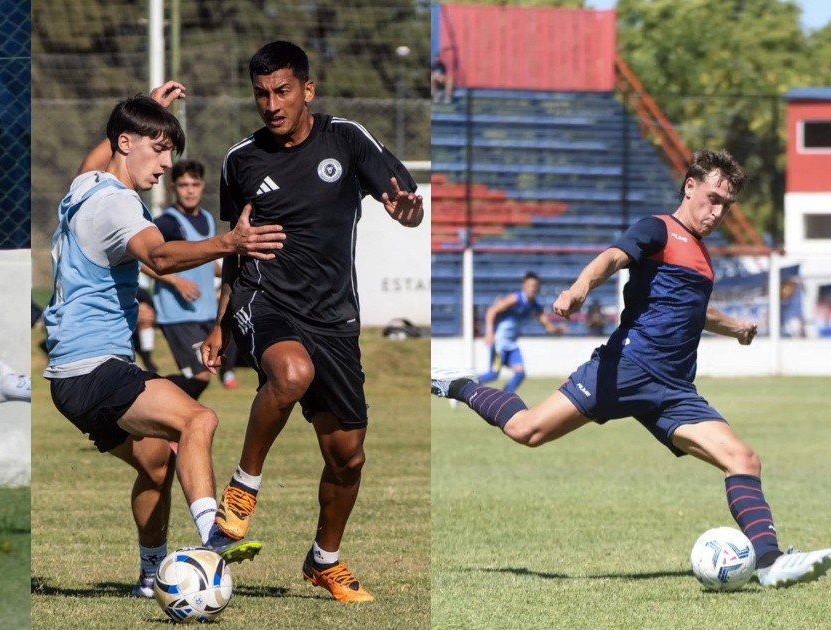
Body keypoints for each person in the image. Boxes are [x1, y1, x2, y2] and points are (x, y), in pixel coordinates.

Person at [431, 150, 831, 589]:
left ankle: (769, 562)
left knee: (743, 459)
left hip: (674, 390)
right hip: (627, 368)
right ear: (690, 186)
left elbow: (693, 310)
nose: (718, 212)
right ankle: (458, 384)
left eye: (727, 206)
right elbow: (611, 257)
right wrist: (579, 288)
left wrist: (736, 327)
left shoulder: (702, 255)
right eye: (713, 199)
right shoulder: (657, 228)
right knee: (526, 430)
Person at [0, 82, 284, 597]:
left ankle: (150, 575)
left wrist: (149, 111)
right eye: (159, 149)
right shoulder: (117, 206)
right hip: (95, 369)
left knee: (157, 462)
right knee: (198, 419)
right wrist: (231, 242)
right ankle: (213, 535)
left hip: (73, 375)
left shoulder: (85, 186)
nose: (165, 165)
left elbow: (99, 155)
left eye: (169, 152)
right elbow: (159, 257)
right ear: (127, 143)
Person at [201, 41, 424, 603]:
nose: (271, 104)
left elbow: (404, 200)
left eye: (282, 91)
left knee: (348, 457)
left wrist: (409, 212)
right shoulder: (240, 160)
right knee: (291, 373)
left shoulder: (345, 139)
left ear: (307, 90)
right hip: (265, 299)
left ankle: (324, 560)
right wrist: (221, 321)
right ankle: (243, 486)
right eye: (261, 94)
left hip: (335, 318)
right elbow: (237, 247)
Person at [141, 159, 219, 400]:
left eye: (195, 184)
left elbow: (207, 260)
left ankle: (166, 418)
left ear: (202, 185)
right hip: (179, 314)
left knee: (201, 375)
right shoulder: (166, 223)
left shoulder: (207, 218)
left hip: (206, 311)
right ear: (173, 187)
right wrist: (177, 281)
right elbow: (142, 261)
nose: (190, 190)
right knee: (199, 375)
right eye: (184, 185)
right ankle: (138, 392)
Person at [478, 271, 565, 393]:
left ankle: (505, 397)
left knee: (520, 373)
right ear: (524, 286)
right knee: (493, 374)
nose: (532, 289)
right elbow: (492, 311)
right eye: (529, 285)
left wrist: (557, 329)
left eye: (534, 286)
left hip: (512, 345)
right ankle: (464, 386)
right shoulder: (514, 299)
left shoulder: (535, 306)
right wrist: (489, 332)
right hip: (499, 343)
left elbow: (548, 326)